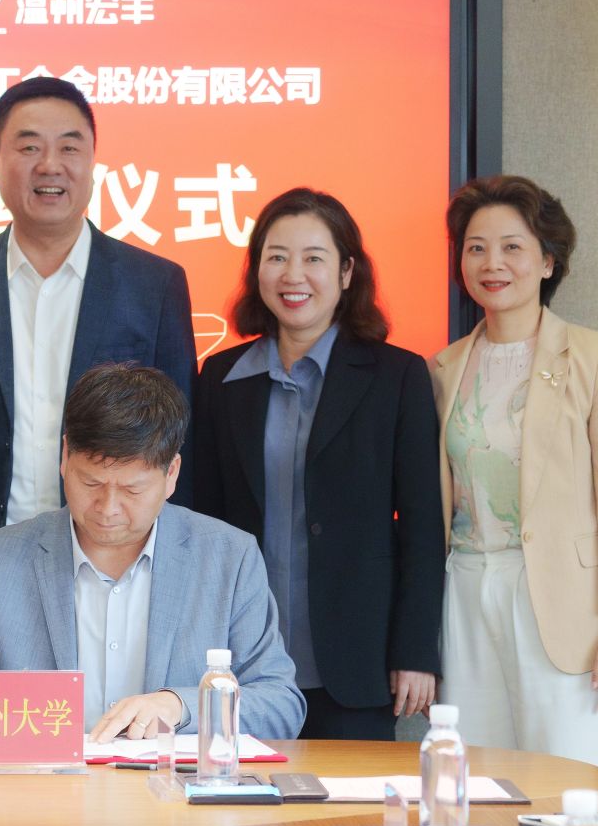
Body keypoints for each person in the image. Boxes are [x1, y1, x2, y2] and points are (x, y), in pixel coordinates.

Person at [0, 77, 196, 644]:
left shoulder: (153, 285)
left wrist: (178, 579)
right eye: (29, 146)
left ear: (93, 161)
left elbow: (180, 446)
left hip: (117, 567)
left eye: (69, 146)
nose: (49, 165)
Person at [0, 363, 305, 743]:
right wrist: (16, 721)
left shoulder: (229, 558)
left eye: (132, 490)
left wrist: (181, 707)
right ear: (64, 457)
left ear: (171, 474)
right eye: (91, 483)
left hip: (172, 794)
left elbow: (280, 703)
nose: (108, 509)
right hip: (41, 793)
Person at [186, 188, 444, 741]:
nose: (293, 275)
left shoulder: (397, 377)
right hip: (239, 660)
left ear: (347, 272)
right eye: (276, 257)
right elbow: (201, 521)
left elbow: (423, 528)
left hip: (355, 658)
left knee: (348, 798)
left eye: (314, 258)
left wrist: (417, 652)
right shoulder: (221, 379)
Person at [431, 176, 598, 777]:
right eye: (476, 248)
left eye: (512, 247)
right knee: (477, 783)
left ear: (548, 261)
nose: (492, 264)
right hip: (466, 593)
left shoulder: (595, 357)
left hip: (565, 605)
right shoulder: (443, 368)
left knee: (570, 784)